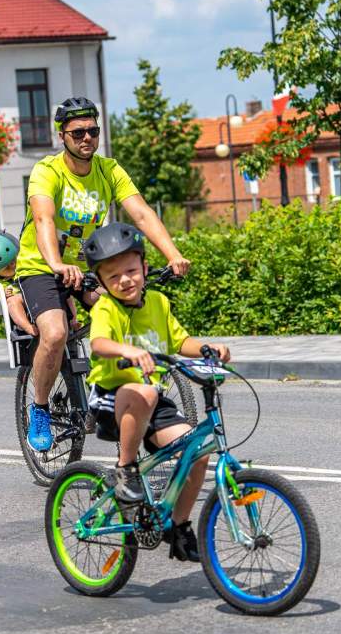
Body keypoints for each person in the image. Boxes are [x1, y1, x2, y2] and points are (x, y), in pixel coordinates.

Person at [17, 96, 191, 452]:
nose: (86, 138)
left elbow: (140, 213)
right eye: (77, 132)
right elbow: (43, 219)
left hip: (88, 269)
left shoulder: (109, 170)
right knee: (54, 332)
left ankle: (114, 393)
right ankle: (39, 407)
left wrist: (173, 254)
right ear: (62, 135)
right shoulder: (47, 171)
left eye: (93, 131)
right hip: (40, 266)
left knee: (124, 318)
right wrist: (55, 264)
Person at [83, 222, 231, 562]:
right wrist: (127, 351)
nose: (125, 280)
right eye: (114, 276)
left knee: (198, 451)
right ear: (103, 283)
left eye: (132, 270)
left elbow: (180, 341)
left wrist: (210, 347)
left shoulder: (159, 303)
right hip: (112, 398)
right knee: (146, 394)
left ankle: (178, 528)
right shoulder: (107, 309)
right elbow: (99, 342)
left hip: (152, 400)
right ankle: (126, 469)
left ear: (145, 268)